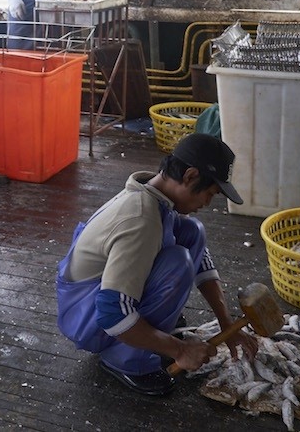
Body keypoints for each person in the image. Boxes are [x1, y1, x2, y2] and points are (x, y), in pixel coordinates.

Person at [56, 133, 258, 396]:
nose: (207, 203)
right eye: (210, 194)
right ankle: (126, 360)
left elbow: (203, 262)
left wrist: (226, 323)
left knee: (192, 231)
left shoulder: (156, 196)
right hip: (87, 318)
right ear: (190, 176)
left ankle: (152, 330)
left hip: (99, 300)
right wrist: (180, 350)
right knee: (178, 264)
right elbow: (112, 314)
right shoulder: (140, 219)